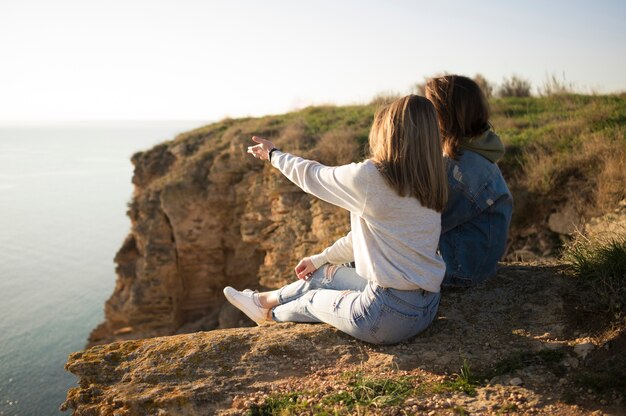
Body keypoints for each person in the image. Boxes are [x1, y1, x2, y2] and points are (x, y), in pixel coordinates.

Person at [223, 95, 448, 345]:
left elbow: (314, 177)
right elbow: (368, 239)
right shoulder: (430, 181)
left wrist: (273, 155)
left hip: (386, 316)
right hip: (426, 305)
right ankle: (261, 301)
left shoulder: (372, 177)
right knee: (323, 275)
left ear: (389, 133)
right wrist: (320, 259)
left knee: (311, 300)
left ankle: (270, 316)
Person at [425, 75, 513, 287]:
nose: (424, 118)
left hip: (458, 270)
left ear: (445, 115)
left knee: (349, 267)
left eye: (429, 110)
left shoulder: (458, 169)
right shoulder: (473, 153)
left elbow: (423, 225)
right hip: (473, 264)